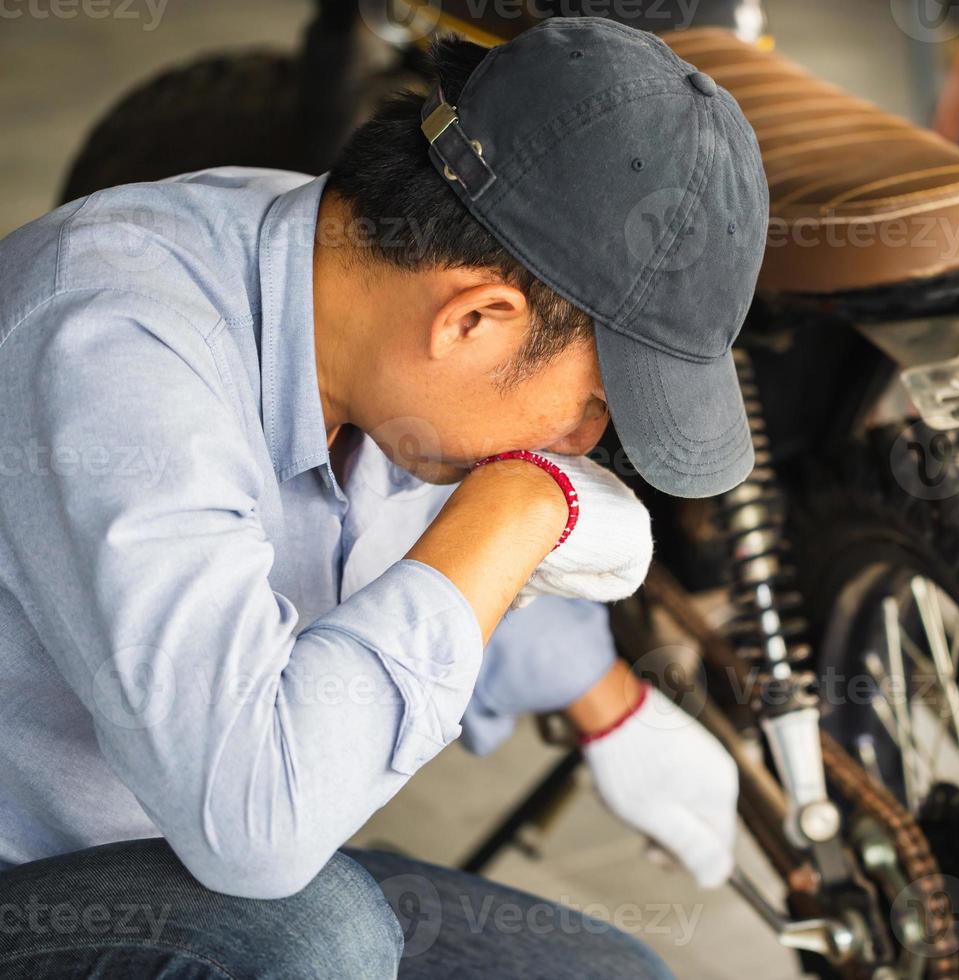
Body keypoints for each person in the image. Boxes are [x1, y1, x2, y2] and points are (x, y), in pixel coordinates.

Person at [0, 17, 768, 978]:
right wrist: (522, 509)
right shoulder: (120, 347)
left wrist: (607, 704)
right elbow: (257, 828)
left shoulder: (354, 290)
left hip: (176, 851)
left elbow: (412, 539)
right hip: (39, 881)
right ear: (477, 319)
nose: (580, 449)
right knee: (313, 946)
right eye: (594, 408)